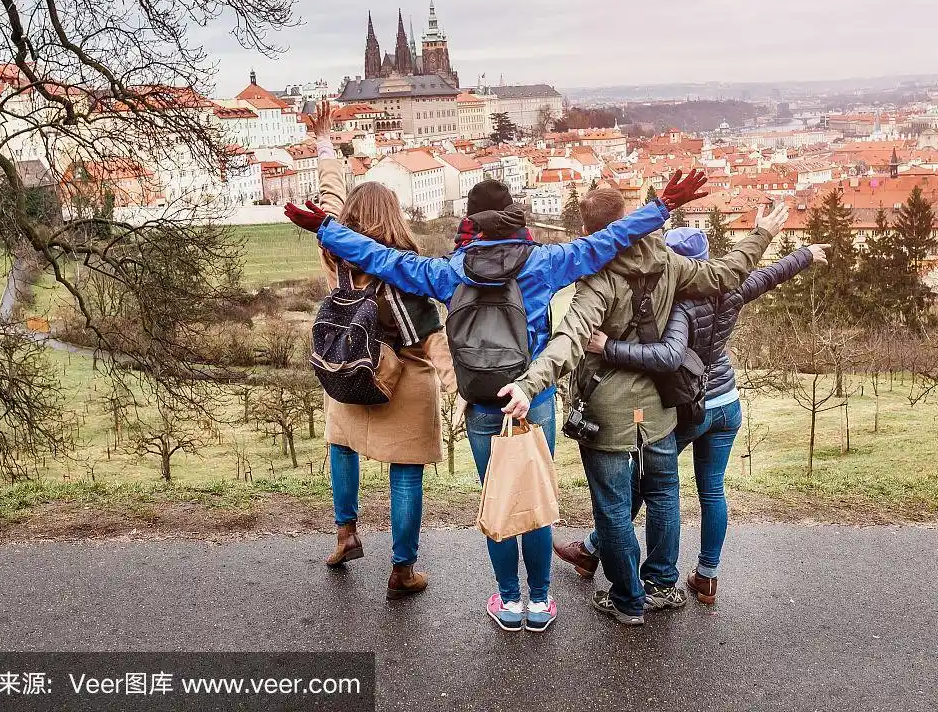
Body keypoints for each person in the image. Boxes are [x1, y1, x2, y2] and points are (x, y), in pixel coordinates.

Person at [285, 165, 710, 633]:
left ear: (470, 222)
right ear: (513, 218)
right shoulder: (543, 263)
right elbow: (604, 242)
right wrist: (662, 207)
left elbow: (382, 259)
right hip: (533, 398)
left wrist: (326, 229)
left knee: (500, 500)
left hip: (483, 403)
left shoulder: (447, 272)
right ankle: (541, 601)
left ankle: (509, 601)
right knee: (534, 497)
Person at [501, 184, 789, 626]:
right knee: (663, 494)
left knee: (615, 508)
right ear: (630, 216)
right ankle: (660, 584)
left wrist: (529, 382)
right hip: (657, 407)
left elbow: (569, 341)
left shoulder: (598, 280)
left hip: (607, 411)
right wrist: (762, 234)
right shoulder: (668, 261)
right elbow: (727, 274)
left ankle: (627, 599)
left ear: (588, 231)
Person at [554, 228, 828, 605]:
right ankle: (707, 576)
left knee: (647, 487)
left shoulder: (677, 303)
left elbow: (666, 356)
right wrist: (806, 254)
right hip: (726, 401)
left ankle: (595, 553)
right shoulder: (730, 289)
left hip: (689, 405)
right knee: (711, 490)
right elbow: (768, 275)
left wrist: (609, 346)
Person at [308, 102, 456, 601]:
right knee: (406, 474)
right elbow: (432, 339)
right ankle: (402, 568)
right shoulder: (405, 267)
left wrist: (326, 142)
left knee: (341, 447)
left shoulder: (336, 253)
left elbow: (328, 199)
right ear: (394, 216)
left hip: (351, 366)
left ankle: (346, 534)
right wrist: (464, 391)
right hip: (406, 380)